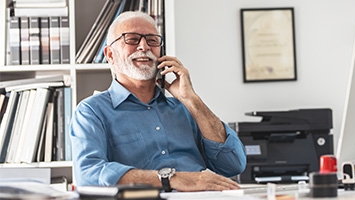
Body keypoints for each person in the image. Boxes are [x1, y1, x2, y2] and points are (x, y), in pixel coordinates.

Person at [70, 10, 247, 192]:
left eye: (152, 40)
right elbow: (88, 173)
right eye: (132, 39)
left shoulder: (185, 108)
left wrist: (191, 99)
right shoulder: (91, 111)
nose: (144, 46)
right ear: (110, 55)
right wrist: (172, 179)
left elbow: (233, 164)